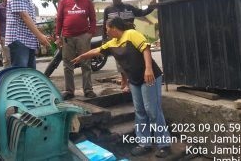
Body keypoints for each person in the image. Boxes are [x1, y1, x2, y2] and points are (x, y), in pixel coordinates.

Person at [72, 17, 171, 158]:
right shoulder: (112, 43)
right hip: (135, 80)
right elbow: (97, 50)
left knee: (152, 110)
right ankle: (144, 143)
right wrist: (81, 56)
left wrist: (148, 69)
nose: (106, 31)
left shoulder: (131, 34)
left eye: (107, 28)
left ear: (113, 28)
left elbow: (146, 48)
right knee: (140, 111)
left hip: (149, 76)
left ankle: (164, 144)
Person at [103, 0, 157, 93]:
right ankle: (125, 81)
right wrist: (104, 40)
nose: (115, 0)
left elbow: (142, 13)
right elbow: (105, 26)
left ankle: (134, 80)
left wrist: (151, 6)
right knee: (121, 62)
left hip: (131, 40)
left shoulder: (129, 8)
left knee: (133, 61)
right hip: (116, 41)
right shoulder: (108, 10)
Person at [55, 0, 97, 99]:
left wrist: (90, 34)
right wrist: (58, 36)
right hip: (67, 37)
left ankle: (88, 90)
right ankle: (69, 91)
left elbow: (93, 19)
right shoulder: (64, 1)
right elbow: (59, 20)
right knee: (68, 65)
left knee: (86, 63)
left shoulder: (87, 1)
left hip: (83, 36)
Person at [5, 0, 50, 69]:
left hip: (26, 40)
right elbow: (25, 16)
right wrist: (40, 36)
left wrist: (40, 35)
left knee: (30, 74)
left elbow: (29, 19)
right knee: (21, 75)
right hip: (19, 40)